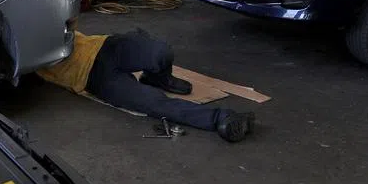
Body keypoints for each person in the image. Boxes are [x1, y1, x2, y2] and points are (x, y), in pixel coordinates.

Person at [39, 29, 255, 142]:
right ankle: (222, 118)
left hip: (104, 45)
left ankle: (157, 77)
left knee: (160, 51)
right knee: (153, 103)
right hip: (92, 77)